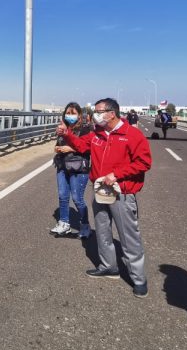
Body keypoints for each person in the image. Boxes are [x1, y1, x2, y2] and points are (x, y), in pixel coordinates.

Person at [58, 97, 152, 297]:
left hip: (121, 193)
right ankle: (108, 266)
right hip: (100, 190)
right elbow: (81, 146)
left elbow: (144, 163)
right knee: (102, 231)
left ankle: (138, 278)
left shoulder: (132, 135)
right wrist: (67, 134)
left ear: (112, 113)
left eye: (100, 111)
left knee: (128, 237)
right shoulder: (97, 135)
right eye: (95, 111)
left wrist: (116, 174)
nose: (96, 115)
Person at [51, 102, 92, 238]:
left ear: (79, 115)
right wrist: (58, 148)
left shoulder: (87, 129)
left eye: (73, 113)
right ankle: (64, 223)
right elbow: (58, 144)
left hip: (78, 168)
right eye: (68, 113)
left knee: (77, 198)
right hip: (63, 166)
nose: (70, 116)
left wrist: (70, 149)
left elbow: (88, 147)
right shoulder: (63, 128)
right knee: (63, 196)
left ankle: (85, 225)